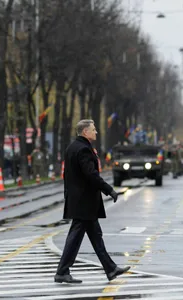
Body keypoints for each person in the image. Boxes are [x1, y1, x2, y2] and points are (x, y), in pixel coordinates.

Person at [54, 119, 130, 284]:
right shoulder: (83, 150)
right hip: (84, 202)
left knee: (96, 236)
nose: (96, 132)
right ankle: (62, 271)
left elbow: (68, 175)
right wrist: (108, 189)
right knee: (75, 237)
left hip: (79, 200)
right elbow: (91, 175)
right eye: (94, 130)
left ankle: (110, 269)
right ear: (85, 132)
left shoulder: (72, 147)